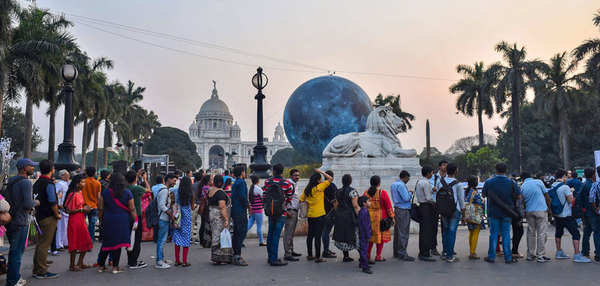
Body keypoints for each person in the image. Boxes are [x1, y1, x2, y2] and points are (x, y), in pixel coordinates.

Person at [97, 173, 138, 273]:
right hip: (122, 220)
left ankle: (101, 266)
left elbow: (101, 208)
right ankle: (115, 267)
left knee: (107, 242)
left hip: (108, 219)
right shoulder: (127, 192)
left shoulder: (105, 192)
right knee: (118, 244)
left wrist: (100, 219)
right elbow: (132, 208)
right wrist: (136, 220)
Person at [5, 158, 37, 286]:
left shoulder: (11, 180)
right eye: (31, 166)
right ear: (24, 168)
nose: (33, 168)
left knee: (14, 251)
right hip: (20, 220)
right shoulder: (26, 183)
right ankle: (13, 281)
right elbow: (28, 204)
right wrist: (36, 202)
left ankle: (15, 277)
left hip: (10, 219)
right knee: (17, 252)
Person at [552, 169, 591, 263]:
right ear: (563, 176)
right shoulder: (565, 187)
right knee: (576, 234)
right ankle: (577, 255)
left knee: (558, 232)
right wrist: (572, 192)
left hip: (557, 214)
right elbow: (571, 201)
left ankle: (559, 252)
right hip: (566, 214)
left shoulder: (553, 185)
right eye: (566, 176)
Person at [482, 163, 518, 264]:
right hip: (507, 212)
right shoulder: (511, 182)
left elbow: (484, 194)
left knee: (493, 234)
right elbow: (518, 195)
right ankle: (508, 257)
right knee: (506, 234)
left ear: (496, 170)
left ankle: (491, 256)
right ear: (506, 170)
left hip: (493, 212)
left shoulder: (489, 182)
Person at [32, 159, 60, 279]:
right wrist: (57, 213)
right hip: (48, 216)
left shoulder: (37, 182)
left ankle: (37, 268)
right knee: (45, 244)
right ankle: (41, 271)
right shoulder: (48, 183)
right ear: (52, 169)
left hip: (39, 215)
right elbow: (52, 200)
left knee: (40, 244)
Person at [299, 169, 333, 263]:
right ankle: (318, 257)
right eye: (320, 179)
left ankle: (310, 255)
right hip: (319, 215)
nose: (322, 180)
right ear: (318, 180)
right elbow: (330, 179)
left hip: (310, 215)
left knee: (310, 236)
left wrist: (309, 202)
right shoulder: (319, 187)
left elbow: (301, 200)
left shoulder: (307, 189)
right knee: (318, 237)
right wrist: (322, 172)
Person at [263, 164, 293, 266]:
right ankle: (273, 259)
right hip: (281, 213)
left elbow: (264, 195)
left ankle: (270, 256)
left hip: (271, 211)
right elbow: (289, 198)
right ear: (282, 171)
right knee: (276, 235)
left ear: (273, 171)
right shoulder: (287, 183)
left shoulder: (267, 182)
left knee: (270, 234)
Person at [520, 171, 552, 263]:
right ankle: (540, 255)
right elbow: (547, 197)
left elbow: (522, 201)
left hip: (529, 211)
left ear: (522, 179)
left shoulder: (522, 186)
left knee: (531, 233)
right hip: (541, 210)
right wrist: (550, 210)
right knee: (542, 233)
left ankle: (530, 254)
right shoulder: (538, 182)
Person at [63, 175, 93, 271]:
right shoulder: (72, 194)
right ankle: (72, 265)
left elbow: (82, 204)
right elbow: (67, 210)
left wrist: (86, 207)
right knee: (74, 242)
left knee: (86, 240)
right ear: (77, 184)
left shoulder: (80, 193)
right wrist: (81, 209)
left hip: (81, 220)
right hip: (74, 221)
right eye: (82, 182)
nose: (84, 184)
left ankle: (80, 263)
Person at [363, 175, 394, 263]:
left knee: (369, 238)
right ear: (379, 183)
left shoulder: (366, 193)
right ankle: (378, 256)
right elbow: (388, 207)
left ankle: (368, 255)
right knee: (380, 238)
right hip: (381, 218)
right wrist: (392, 217)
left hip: (368, 218)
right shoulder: (382, 193)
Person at [125, 170, 150, 269]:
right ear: (135, 178)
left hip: (127, 215)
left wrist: (137, 176)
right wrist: (144, 179)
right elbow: (148, 189)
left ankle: (130, 260)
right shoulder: (137, 188)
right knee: (136, 239)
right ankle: (133, 262)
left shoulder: (125, 187)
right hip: (136, 216)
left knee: (129, 238)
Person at [333, 174, 360, 262]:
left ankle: (346, 256)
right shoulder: (352, 192)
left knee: (343, 235)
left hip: (340, 216)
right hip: (350, 216)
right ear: (350, 181)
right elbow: (355, 206)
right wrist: (360, 216)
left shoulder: (338, 191)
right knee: (355, 235)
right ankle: (363, 256)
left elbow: (336, 205)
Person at [440, 163, 464, 263]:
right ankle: (450, 255)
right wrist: (463, 210)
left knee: (445, 231)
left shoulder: (440, 181)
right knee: (452, 232)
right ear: (455, 171)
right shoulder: (458, 184)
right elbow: (461, 199)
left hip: (443, 210)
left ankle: (445, 252)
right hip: (455, 210)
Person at [208, 175, 232, 264]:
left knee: (215, 234)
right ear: (220, 182)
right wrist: (226, 219)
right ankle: (218, 256)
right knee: (218, 235)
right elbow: (222, 206)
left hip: (212, 214)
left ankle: (214, 255)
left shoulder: (210, 191)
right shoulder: (220, 193)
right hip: (218, 215)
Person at [391, 170, 414, 261]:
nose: (408, 180)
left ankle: (396, 252)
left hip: (397, 208)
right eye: (408, 178)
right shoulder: (401, 185)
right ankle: (402, 253)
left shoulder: (394, 184)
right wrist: (410, 193)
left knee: (398, 232)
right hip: (404, 209)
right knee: (403, 232)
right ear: (405, 177)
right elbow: (406, 198)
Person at [156, 174, 177, 269]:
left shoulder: (166, 190)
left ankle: (161, 258)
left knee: (162, 240)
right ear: (168, 180)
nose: (175, 182)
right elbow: (162, 205)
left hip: (163, 218)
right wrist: (170, 214)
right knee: (161, 240)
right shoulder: (164, 191)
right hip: (163, 218)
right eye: (174, 180)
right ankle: (159, 261)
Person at [415, 166, 436, 261]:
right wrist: (435, 203)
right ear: (428, 173)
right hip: (427, 207)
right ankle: (425, 253)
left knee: (423, 230)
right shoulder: (426, 183)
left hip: (421, 206)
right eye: (431, 172)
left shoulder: (419, 181)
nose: (432, 174)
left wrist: (431, 191)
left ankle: (423, 252)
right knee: (427, 231)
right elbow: (428, 198)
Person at [173, 176, 194, 267]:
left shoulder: (176, 191)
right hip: (187, 216)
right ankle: (184, 261)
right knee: (186, 238)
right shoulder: (190, 193)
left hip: (178, 216)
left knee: (177, 237)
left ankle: (177, 260)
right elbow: (192, 207)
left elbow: (175, 203)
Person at [230, 165, 249, 266]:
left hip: (235, 209)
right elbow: (242, 196)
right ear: (242, 172)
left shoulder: (235, 182)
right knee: (241, 231)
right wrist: (248, 206)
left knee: (237, 232)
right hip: (240, 210)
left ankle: (235, 253)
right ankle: (237, 254)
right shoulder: (241, 182)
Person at [428, 160, 448, 256]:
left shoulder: (449, 177)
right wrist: (433, 188)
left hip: (446, 204)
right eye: (443, 165)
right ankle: (433, 247)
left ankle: (447, 247)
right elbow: (430, 186)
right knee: (434, 226)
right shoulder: (434, 177)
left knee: (446, 226)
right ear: (439, 167)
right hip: (435, 204)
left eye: (446, 165)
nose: (445, 167)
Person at [283, 169, 301, 261]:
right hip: (290, 211)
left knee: (291, 232)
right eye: (295, 175)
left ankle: (291, 250)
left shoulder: (294, 184)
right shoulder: (288, 184)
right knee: (288, 233)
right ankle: (287, 253)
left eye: (298, 175)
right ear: (291, 176)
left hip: (294, 210)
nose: (297, 177)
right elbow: (284, 198)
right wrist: (286, 211)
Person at [581, 167, 598, 261]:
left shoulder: (583, 184)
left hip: (585, 212)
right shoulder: (592, 185)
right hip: (592, 212)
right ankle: (597, 253)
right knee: (596, 232)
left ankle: (585, 251)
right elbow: (593, 200)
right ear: (592, 175)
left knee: (587, 232)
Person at [465, 176, 483, 260]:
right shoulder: (474, 192)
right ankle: (472, 252)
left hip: (469, 215)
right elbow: (479, 203)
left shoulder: (467, 191)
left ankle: (471, 250)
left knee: (471, 233)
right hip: (475, 215)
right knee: (475, 233)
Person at [82, 167, 102, 241]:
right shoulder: (97, 183)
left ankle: (83, 240)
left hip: (84, 206)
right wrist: (100, 207)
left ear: (86, 173)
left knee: (83, 224)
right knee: (92, 225)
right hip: (94, 206)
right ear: (94, 173)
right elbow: (99, 196)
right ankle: (90, 240)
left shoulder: (83, 182)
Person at [321, 170, 337, 259]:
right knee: (326, 231)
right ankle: (326, 251)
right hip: (330, 212)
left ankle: (326, 249)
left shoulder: (321, 186)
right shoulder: (332, 186)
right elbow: (336, 199)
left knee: (325, 231)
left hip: (322, 211)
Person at [247, 175, 266, 247]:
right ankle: (261, 241)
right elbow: (263, 196)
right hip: (258, 210)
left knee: (248, 225)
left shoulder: (251, 188)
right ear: (258, 180)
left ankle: (241, 238)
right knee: (259, 227)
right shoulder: (258, 188)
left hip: (253, 210)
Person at [55, 170, 70, 251]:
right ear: (62, 176)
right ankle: (59, 244)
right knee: (60, 227)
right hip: (61, 207)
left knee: (65, 226)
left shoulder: (67, 184)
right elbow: (57, 194)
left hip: (66, 207)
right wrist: (59, 204)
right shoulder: (59, 184)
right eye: (67, 175)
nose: (68, 177)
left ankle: (65, 242)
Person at [357, 196, 372, 274]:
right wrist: (368, 235)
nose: (370, 202)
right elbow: (366, 225)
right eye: (368, 201)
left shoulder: (362, 211)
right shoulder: (365, 212)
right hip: (364, 234)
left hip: (362, 233)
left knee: (363, 250)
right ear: (364, 203)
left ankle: (362, 263)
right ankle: (365, 267)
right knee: (364, 250)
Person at [198, 175, 213, 248]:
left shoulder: (203, 186)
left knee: (203, 224)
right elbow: (206, 198)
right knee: (206, 224)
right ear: (208, 181)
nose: (212, 181)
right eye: (211, 180)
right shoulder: (207, 188)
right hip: (206, 208)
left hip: (204, 208)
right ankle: (205, 241)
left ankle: (202, 241)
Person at [589, 167, 600, 261]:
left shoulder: (595, 184)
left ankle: (598, 254)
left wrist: (595, 208)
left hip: (599, 212)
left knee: (597, 233)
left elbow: (591, 198)